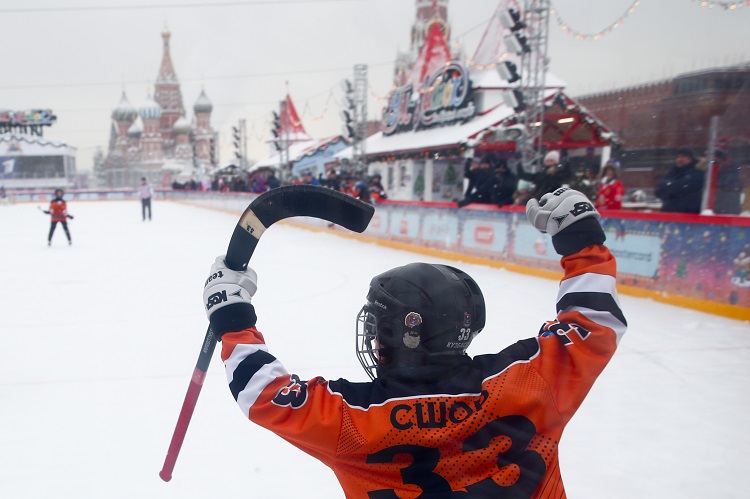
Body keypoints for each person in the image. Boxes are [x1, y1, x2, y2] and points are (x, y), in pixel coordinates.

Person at [202, 187, 626, 497]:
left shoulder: (354, 422)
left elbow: (262, 393)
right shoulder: (531, 383)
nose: (374, 339)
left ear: (406, 334)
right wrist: (581, 237)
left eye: (380, 329)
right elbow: (593, 320)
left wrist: (230, 313)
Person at [654, 148, 705, 214]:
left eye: (683, 157)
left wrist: (668, 187)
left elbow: (684, 186)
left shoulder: (697, 171)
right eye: (678, 157)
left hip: (688, 213)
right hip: (669, 212)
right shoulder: (674, 170)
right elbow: (658, 190)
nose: (679, 159)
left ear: (690, 158)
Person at [713, 143, 744, 215]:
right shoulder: (717, 165)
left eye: (716, 157)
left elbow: (724, 182)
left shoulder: (731, 166)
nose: (715, 160)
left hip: (728, 201)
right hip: (720, 201)